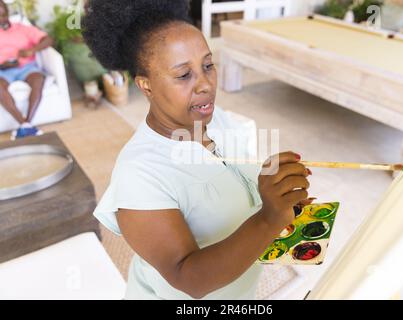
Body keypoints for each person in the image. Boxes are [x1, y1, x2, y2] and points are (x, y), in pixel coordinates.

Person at [83, 0, 313, 299]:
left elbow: (247, 193)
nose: (205, 84)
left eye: (207, 66)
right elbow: (189, 278)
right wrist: (269, 218)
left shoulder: (220, 120)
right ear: (146, 85)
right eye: (183, 75)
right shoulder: (139, 174)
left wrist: (281, 200)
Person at [0, 0, 53, 139]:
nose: (2, 19)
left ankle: (26, 125)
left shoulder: (22, 28)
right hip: (3, 71)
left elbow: (48, 40)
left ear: (8, 13)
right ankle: (25, 124)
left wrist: (31, 51)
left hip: (27, 67)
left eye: (4, 15)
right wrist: (5, 65)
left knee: (38, 79)